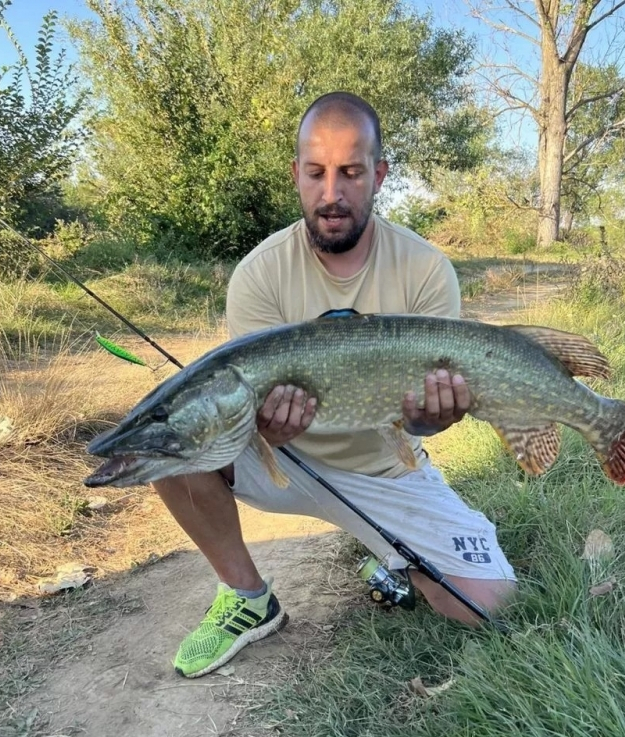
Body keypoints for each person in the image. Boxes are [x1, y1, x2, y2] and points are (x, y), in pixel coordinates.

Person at [153, 92, 517, 679]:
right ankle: (248, 598)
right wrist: (268, 426)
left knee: (489, 604)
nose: (332, 193)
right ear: (296, 174)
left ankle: (393, 555)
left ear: (379, 174)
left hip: (385, 469)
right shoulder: (259, 273)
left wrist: (436, 416)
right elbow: (246, 409)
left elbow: (424, 420)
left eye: (350, 172)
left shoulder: (425, 269)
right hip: (286, 459)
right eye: (317, 173)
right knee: (172, 437)